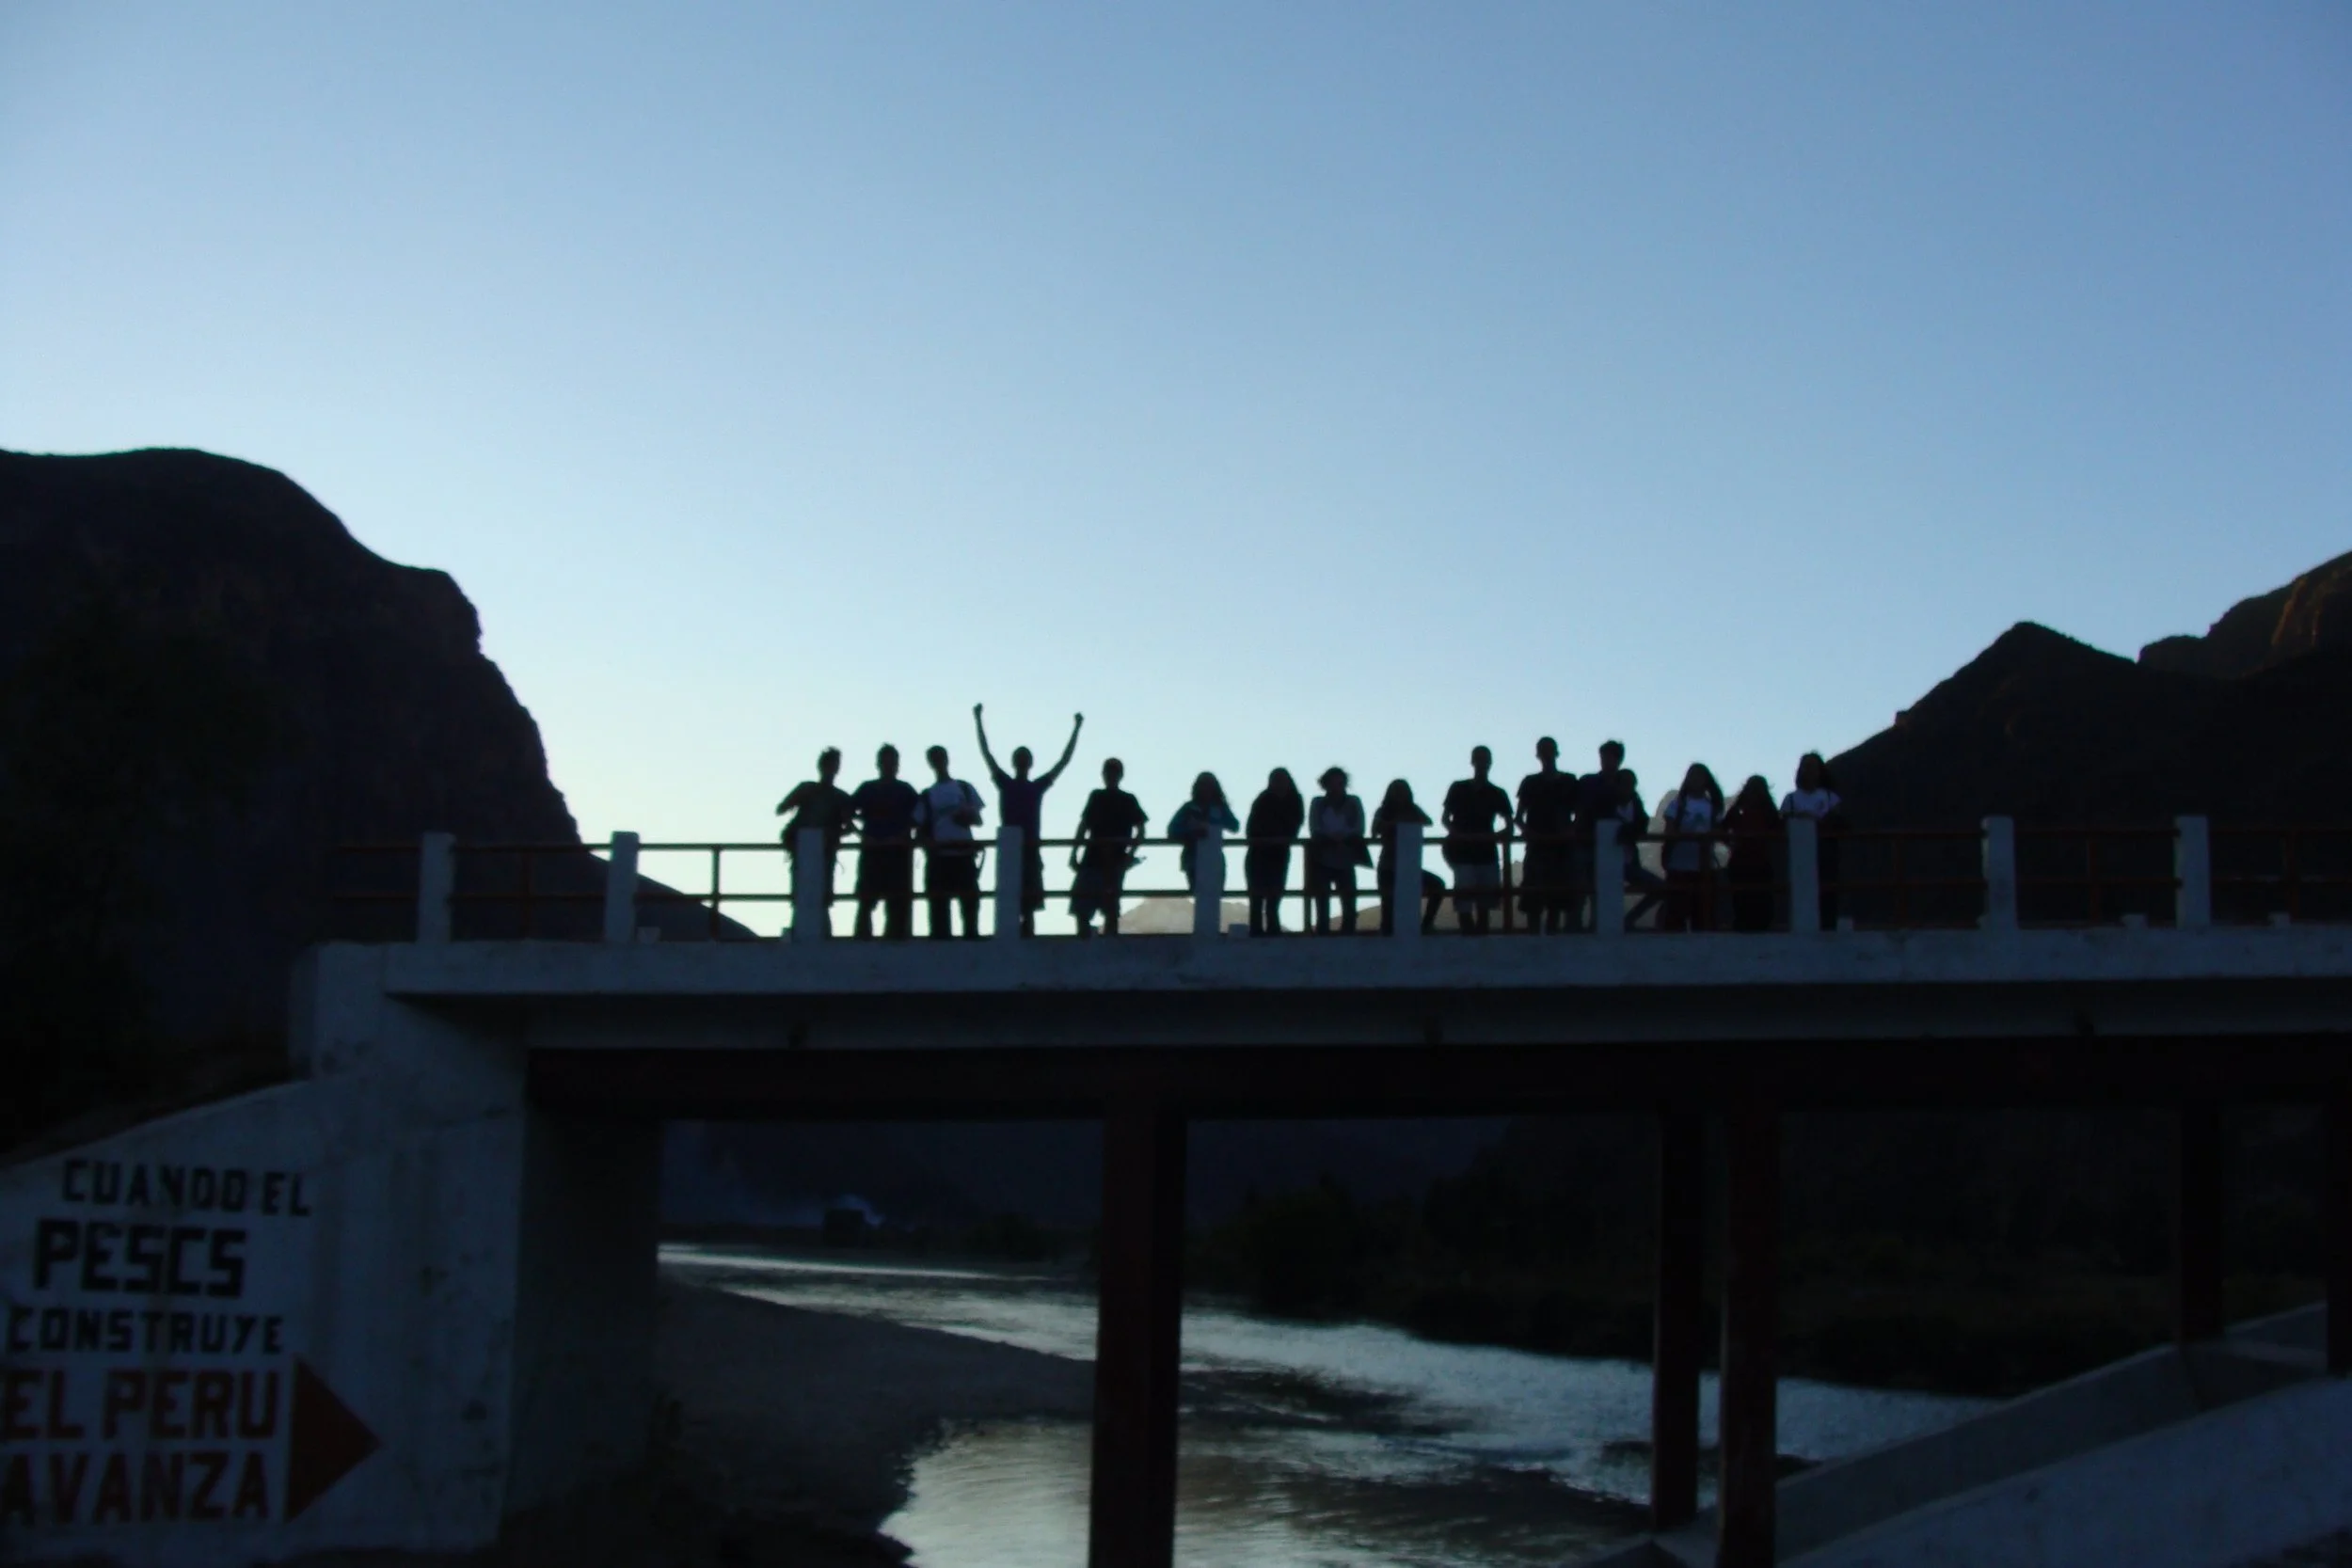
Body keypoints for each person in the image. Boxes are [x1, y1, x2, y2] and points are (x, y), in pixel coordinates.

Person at [974, 705, 1083, 936]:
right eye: (1021, 758)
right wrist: (978, 720)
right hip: (1016, 848)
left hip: (1029, 848)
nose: (1023, 762)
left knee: (1029, 904)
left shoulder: (1026, 786)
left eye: (1025, 758)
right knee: (1014, 901)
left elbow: (1064, 761)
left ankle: (1027, 936)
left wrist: (1076, 729)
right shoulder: (1012, 784)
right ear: (1018, 762)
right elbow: (986, 753)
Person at [914, 745, 986, 939]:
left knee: (970, 908)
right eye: (934, 758)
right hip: (939, 858)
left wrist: (965, 817)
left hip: (964, 855)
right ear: (930, 763)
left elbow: (978, 820)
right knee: (939, 915)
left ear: (947, 759)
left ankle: (971, 944)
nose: (938, 761)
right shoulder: (927, 795)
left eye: (940, 757)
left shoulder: (964, 787)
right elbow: (918, 831)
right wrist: (928, 844)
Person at [847, 745, 920, 939]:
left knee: (897, 903)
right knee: (866, 900)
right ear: (879, 764)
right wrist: (862, 836)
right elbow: (845, 812)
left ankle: (895, 941)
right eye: (886, 762)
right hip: (873, 851)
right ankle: (862, 941)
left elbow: (920, 817)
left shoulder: (906, 790)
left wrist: (902, 835)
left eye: (893, 762)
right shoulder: (868, 788)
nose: (890, 766)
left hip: (897, 853)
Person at [1071, 758, 1148, 937]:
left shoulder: (1116, 798)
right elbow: (1084, 826)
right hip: (1100, 857)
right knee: (1091, 903)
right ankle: (1093, 940)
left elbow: (1084, 826)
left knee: (1104, 905)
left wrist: (1130, 854)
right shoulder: (1106, 797)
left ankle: (1091, 941)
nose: (1110, 776)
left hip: (1106, 857)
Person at [1442, 747, 1512, 934]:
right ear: (1473, 761)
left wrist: (1491, 837)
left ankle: (1480, 935)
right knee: (1465, 896)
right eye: (1479, 759)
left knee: (1485, 899)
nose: (1482, 763)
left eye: (1484, 759)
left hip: (1485, 850)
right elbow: (1445, 819)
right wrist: (1458, 835)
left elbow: (1509, 825)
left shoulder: (1497, 793)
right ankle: (1470, 933)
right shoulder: (1458, 788)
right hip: (1463, 850)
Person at [775, 747, 852, 918]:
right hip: (802, 849)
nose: (832, 769)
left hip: (826, 850)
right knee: (801, 892)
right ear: (821, 766)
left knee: (823, 896)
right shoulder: (807, 789)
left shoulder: (840, 797)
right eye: (829, 764)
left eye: (834, 765)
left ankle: (821, 935)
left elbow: (849, 826)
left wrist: (833, 834)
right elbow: (781, 809)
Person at [1515, 738, 1579, 933]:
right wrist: (1528, 832)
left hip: (1562, 848)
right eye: (1544, 751)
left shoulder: (1569, 781)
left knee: (1557, 900)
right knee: (1533, 898)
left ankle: (1552, 938)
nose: (1547, 755)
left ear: (1556, 753)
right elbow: (1518, 817)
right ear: (1538, 755)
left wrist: (1570, 831)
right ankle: (1534, 938)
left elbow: (1580, 813)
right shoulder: (1530, 782)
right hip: (1537, 847)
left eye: (1549, 751)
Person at [1656, 763, 1725, 931]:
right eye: (1692, 776)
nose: (1695, 780)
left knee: (1702, 917)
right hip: (1678, 866)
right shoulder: (1677, 804)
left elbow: (1717, 830)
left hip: (1703, 868)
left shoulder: (1712, 806)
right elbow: (1669, 829)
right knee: (1675, 915)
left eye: (1699, 776)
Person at [1571, 739, 1629, 932]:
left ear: (1618, 760)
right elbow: (1578, 807)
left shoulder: (1623, 786)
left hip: (1608, 844)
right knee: (1579, 885)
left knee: (1601, 888)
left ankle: (1597, 925)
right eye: (1603, 757)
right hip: (1584, 839)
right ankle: (1576, 925)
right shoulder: (1588, 781)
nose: (1605, 761)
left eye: (1609, 757)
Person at [1371, 779, 1443, 935]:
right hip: (1388, 866)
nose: (1400, 795)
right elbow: (1375, 829)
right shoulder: (1383, 811)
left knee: (1438, 886)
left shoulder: (1413, 809)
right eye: (1397, 791)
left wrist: (1406, 820)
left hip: (1408, 866)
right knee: (1388, 906)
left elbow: (1428, 821)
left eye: (1403, 791)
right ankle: (1387, 933)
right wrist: (1394, 824)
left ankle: (1426, 924)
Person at [1782, 752, 1845, 927]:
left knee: (1828, 892)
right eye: (1805, 766)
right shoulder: (1791, 799)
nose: (1808, 771)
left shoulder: (1830, 798)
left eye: (1812, 766)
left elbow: (1841, 822)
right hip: (1800, 855)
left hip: (1826, 851)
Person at [1307, 767, 1369, 935]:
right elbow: (1314, 827)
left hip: (1346, 856)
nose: (1336, 787)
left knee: (1348, 897)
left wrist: (1345, 836)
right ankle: (1322, 931)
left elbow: (1360, 826)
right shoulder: (1318, 803)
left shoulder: (1353, 802)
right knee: (1322, 898)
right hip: (1323, 856)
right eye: (1332, 783)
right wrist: (1330, 837)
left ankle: (1348, 930)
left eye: (1339, 783)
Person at [1244, 768, 1305, 936]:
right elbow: (1251, 828)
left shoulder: (1294, 800)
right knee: (1257, 895)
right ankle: (1256, 929)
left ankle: (1273, 927)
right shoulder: (1263, 800)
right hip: (1259, 853)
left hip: (1279, 853)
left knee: (1275, 894)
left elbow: (1296, 824)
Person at [1723, 774, 1782, 933]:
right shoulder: (1763, 810)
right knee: (1748, 898)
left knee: (1751, 897)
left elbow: (1721, 829)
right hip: (1748, 860)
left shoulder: (1764, 811)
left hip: (1755, 860)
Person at [1168, 772, 1241, 895]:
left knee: (1214, 897)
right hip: (1193, 859)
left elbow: (1234, 826)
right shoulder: (1189, 808)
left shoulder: (1220, 808)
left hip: (1214, 859)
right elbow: (1172, 830)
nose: (1205, 790)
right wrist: (1191, 832)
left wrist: (1213, 824)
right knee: (1200, 897)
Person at [1614, 768, 1669, 929]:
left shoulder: (1636, 805)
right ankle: (1620, 922)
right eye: (1624, 784)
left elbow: (1641, 826)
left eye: (1630, 784)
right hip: (1609, 862)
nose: (1627, 788)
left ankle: (1628, 920)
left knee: (1660, 888)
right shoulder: (1607, 805)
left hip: (1629, 862)